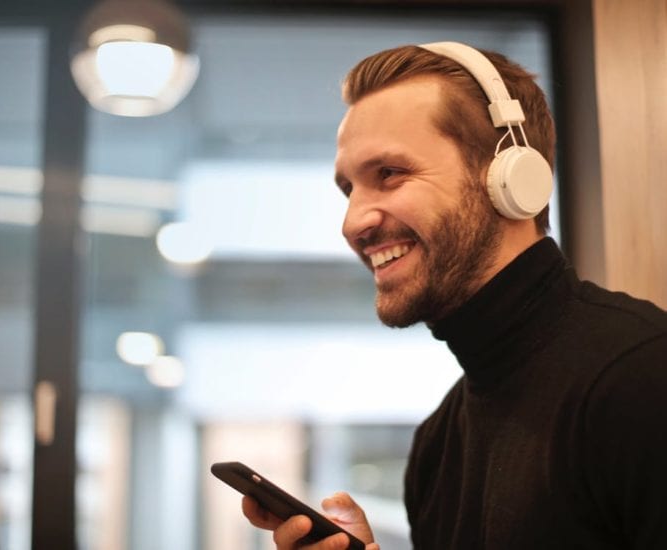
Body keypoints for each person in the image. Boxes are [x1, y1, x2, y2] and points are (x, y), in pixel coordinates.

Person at [242, 41, 667, 549]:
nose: (353, 222)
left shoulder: (642, 377)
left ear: (511, 178)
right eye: (348, 189)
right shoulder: (438, 445)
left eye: (390, 174)